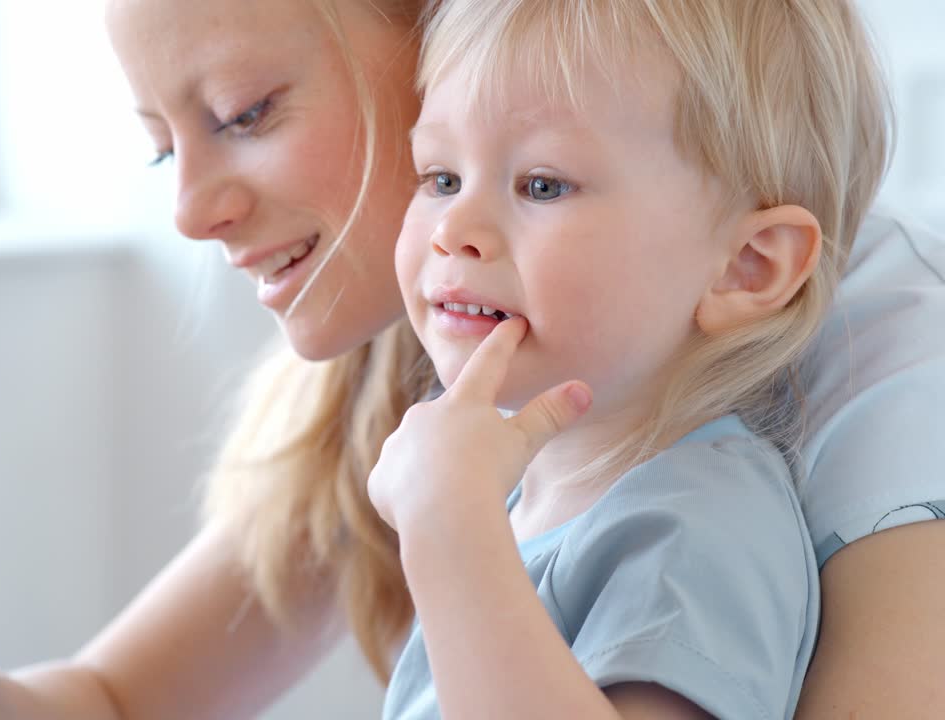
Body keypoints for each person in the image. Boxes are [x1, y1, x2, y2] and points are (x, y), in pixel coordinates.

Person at [0, 0, 945, 718]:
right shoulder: (489, 411)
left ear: (434, 35)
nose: (185, 210)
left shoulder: (742, 476)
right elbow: (119, 697)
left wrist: (449, 531)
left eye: (245, 110)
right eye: (161, 145)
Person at [369, 0, 886, 716]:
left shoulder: (700, 529)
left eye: (542, 185)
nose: (454, 230)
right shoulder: (521, 488)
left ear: (746, 267)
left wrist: (449, 528)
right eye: (441, 178)